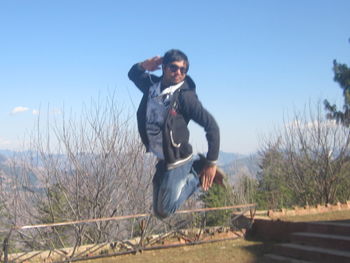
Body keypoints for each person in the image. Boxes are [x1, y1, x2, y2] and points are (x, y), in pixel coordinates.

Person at [128, 49, 223, 219]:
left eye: (183, 69)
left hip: (178, 158)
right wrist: (144, 65)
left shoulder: (186, 98)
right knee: (158, 211)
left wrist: (211, 163)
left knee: (165, 210)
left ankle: (197, 172)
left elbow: (212, 127)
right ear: (164, 67)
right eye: (173, 67)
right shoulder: (152, 86)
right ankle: (195, 170)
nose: (178, 72)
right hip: (163, 157)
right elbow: (133, 74)